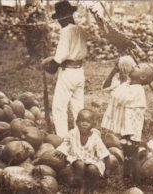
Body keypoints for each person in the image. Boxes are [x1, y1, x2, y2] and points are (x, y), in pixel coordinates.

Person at [41, 1, 88, 138]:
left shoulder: (66, 31)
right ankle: (80, 136)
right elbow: (73, 52)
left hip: (67, 73)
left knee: (59, 108)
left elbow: (60, 57)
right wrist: (52, 58)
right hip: (79, 71)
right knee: (78, 106)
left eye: (59, 19)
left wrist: (48, 67)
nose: (59, 22)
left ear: (63, 16)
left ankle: (62, 139)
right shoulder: (80, 29)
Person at [101, 56, 153, 143]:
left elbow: (122, 98)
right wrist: (113, 72)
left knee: (123, 146)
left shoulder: (138, 90)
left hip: (128, 134)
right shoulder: (127, 84)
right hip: (116, 128)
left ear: (142, 76)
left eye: (137, 67)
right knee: (112, 143)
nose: (133, 66)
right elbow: (106, 87)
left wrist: (123, 81)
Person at [54, 109, 110, 193]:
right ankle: (82, 184)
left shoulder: (95, 138)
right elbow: (66, 143)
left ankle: (91, 186)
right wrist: (62, 150)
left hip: (92, 161)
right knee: (79, 164)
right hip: (77, 160)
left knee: (92, 169)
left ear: (93, 124)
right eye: (82, 121)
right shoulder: (72, 133)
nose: (84, 124)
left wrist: (107, 169)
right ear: (76, 122)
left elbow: (105, 153)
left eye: (88, 122)